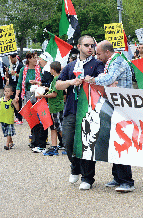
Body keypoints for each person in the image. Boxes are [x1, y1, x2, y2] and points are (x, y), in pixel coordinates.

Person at [84, 40, 135, 193]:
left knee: (121, 141)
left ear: (107, 52)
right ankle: (118, 176)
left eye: (98, 53)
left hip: (122, 107)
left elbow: (109, 78)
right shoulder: (111, 61)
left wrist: (92, 79)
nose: (96, 56)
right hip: (114, 106)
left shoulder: (117, 61)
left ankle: (127, 181)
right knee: (113, 141)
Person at [56, 35, 103, 190]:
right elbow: (57, 85)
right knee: (68, 142)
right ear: (79, 46)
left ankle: (88, 177)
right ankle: (75, 166)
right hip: (71, 108)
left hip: (89, 110)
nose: (90, 48)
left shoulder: (97, 64)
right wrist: (70, 82)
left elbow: (104, 82)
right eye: (87, 45)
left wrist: (94, 80)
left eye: (92, 45)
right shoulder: (70, 66)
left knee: (87, 144)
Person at [15, 52, 47, 151]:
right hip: (28, 95)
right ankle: (34, 139)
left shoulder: (40, 69)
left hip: (39, 94)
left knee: (40, 117)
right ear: (28, 59)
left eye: (36, 57)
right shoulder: (23, 70)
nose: (36, 59)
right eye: (34, 58)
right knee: (31, 118)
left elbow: (45, 80)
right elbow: (19, 83)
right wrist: (17, 95)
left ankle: (41, 140)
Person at [36, 61, 64, 156]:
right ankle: (54, 146)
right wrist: (46, 89)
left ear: (52, 69)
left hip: (56, 107)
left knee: (59, 127)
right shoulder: (56, 79)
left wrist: (42, 96)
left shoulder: (56, 79)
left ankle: (69, 147)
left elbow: (54, 94)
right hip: (53, 107)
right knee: (53, 127)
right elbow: (53, 90)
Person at [0, 85, 19, 150]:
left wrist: (16, 102)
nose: (6, 93)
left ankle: (7, 145)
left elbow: (17, 109)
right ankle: (11, 142)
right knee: (6, 132)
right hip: (2, 119)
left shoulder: (12, 101)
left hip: (9, 119)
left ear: (12, 93)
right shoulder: (1, 100)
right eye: (5, 91)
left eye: (8, 91)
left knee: (9, 132)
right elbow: (0, 107)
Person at [8, 53, 24, 125]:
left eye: (10, 59)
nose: (10, 61)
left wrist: (15, 74)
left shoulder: (20, 65)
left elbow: (22, 76)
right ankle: (16, 117)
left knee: (18, 101)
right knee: (12, 101)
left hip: (17, 85)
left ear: (14, 58)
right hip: (11, 85)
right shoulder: (11, 65)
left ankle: (20, 118)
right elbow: (8, 75)